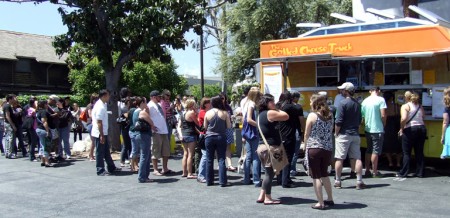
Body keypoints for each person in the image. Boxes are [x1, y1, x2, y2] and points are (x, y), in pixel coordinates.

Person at [256, 94, 289, 205]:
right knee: (269, 174)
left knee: (268, 173)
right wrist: (278, 109)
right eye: (272, 102)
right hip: (269, 148)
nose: (274, 103)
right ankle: (268, 198)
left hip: (263, 147)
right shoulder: (269, 113)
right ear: (266, 103)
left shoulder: (261, 114)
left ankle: (262, 195)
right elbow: (286, 116)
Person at [304, 94, 334, 210]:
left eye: (311, 102)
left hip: (314, 148)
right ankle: (330, 198)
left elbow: (307, 133)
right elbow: (330, 131)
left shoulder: (312, 116)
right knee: (324, 174)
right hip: (327, 148)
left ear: (315, 103)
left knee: (316, 176)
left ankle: (320, 202)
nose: (310, 104)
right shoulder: (330, 116)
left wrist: (305, 144)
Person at [334, 82, 366, 189]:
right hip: (355, 134)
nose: (341, 91)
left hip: (343, 133)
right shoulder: (358, 104)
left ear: (346, 91)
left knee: (340, 158)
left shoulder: (342, 104)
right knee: (357, 158)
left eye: (343, 90)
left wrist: (336, 133)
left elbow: (339, 121)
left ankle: (338, 181)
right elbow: (360, 120)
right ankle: (359, 181)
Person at [91, 89, 122, 176]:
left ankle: (111, 167)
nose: (109, 97)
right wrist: (101, 135)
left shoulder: (102, 104)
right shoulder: (100, 106)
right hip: (100, 133)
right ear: (104, 96)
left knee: (106, 151)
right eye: (108, 95)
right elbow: (99, 122)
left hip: (103, 132)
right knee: (100, 151)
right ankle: (100, 169)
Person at [397, 91, 426, 178]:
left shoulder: (405, 106)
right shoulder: (420, 106)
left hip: (410, 129)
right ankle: (420, 172)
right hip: (421, 128)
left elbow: (403, 118)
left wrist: (402, 128)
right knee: (419, 152)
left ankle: (404, 172)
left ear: (406, 97)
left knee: (406, 152)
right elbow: (423, 116)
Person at [204, 96, 232, 187]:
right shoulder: (225, 113)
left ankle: (209, 180)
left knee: (209, 159)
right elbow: (228, 126)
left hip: (209, 137)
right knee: (221, 159)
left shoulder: (208, 113)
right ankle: (223, 181)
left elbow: (205, 127)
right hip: (221, 137)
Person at [276, 91, 302, 188]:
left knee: (280, 158)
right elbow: (299, 110)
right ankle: (285, 181)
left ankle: (279, 178)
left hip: (278, 135)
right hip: (288, 134)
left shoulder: (277, 106)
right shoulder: (290, 107)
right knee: (288, 158)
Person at [361, 87, 386, 178]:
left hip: (368, 129)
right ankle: (375, 171)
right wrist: (384, 124)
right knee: (375, 151)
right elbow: (383, 115)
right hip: (377, 128)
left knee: (369, 149)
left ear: (370, 91)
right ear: (378, 91)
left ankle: (367, 170)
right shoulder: (381, 100)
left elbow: (362, 117)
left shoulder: (364, 101)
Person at [130, 97, 156, 183]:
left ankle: (144, 176)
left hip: (137, 134)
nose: (146, 104)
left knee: (144, 155)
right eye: (145, 102)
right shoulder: (141, 112)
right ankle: (142, 176)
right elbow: (151, 121)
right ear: (142, 103)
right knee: (145, 156)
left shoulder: (134, 112)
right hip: (144, 135)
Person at [148, 90, 172, 176]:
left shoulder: (158, 105)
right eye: (159, 97)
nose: (160, 98)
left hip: (163, 130)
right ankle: (155, 169)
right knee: (156, 150)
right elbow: (146, 116)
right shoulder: (149, 105)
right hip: (156, 131)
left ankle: (164, 168)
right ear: (154, 97)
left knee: (166, 151)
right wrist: (151, 126)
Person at [243, 87, 262, 187]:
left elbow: (245, 119)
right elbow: (249, 119)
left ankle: (246, 178)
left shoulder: (246, 103)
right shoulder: (252, 105)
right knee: (255, 157)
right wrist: (259, 125)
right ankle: (256, 180)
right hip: (254, 132)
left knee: (249, 156)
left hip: (248, 132)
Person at [177, 98, 200, 179]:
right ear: (191, 105)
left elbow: (179, 126)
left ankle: (184, 172)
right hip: (191, 134)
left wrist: (180, 134)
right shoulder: (191, 113)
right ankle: (190, 173)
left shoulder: (182, 113)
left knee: (185, 154)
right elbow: (197, 123)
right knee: (190, 155)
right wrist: (197, 113)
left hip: (184, 135)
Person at [383, 91, 402, 168]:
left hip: (386, 127)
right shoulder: (396, 106)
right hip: (396, 126)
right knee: (398, 146)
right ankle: (398, 163)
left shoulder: (383, 107)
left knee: (387, 146)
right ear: (392, 98)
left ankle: (390, 162)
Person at [220, 93, 237, 172]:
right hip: (219, 129)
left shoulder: (228, 107)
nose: (222, 100)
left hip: (228, 128)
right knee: (219, 148)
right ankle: (221, 164)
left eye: (223, 98)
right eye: (221, 98)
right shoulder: (216, 108)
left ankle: (229, 165)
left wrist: (233, 117)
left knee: (228, 147)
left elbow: (232, 115)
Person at [290, 91, 305, 176]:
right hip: (296, 130)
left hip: (286, 132)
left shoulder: (285, 106)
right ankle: (292, 169)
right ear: (295, 98)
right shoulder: (298, 107)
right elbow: (302, 121)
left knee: (288, 152)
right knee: (295, 152)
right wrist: (304, 131)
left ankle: (287, 170)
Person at [196, 97, 211, 183]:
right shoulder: (203, 113)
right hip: (204, 135)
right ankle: (201, 175)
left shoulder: (205, 112)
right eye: (209, 103)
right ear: (205, 104)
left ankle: (203, 174)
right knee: (205, 155)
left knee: (206, 155)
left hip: (205, 135)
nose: (211, 104)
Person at [35, 100, 53, 167]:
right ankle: (47, 162)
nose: (47, 105)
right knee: (46, 146)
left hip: (38, 129)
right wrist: (47, 131)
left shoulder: (38, 111)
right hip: (43, 130)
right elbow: (44, 121)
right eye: (46, 104)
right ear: (44, 105)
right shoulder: (43, 111)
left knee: (42, 145)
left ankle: (42, 160)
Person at [118, 87, 132, 168]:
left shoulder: (122, 103)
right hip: (125, 125)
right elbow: (125, 114)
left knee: (128, 144)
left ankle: (129, 159)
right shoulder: (122, 104)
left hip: (126, 125)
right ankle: (123, 160)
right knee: (126, 144)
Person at [3, 94, 18, 159]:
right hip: (9, 124)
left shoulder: (8, 106)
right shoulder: (7, 106)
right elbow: (7, 116)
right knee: (10, 138)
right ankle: (9, 153)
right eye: (13, 98)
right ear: (10, 99)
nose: (15, 99)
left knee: (8, 138)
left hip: (7, 123)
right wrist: (13, 125)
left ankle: (7, 152)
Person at [86, 93, 99, 161]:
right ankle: (91, 156)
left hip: (93, 124)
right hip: (91, 124)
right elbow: (90, 114)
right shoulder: (90, 106)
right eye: (96, 99)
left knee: (94, 141)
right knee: (93, 141)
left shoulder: (95, 105)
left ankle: (90, 154)